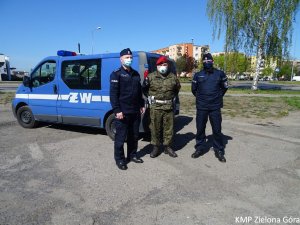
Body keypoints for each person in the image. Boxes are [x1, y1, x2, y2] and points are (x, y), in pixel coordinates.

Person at [110, 48, 145, 170]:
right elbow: (113, 95)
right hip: (122, 112)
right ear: (121, 59)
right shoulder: (116, 74)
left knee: (134, 136)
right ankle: (120, 159)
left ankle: (132, 155)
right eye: (126, 57)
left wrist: (141, 104)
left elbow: (138, 91)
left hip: (135, 111)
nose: (129, 59)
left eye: (130, 58)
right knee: (120, 138)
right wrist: (117, 110)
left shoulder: (135, 74)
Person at [191, 53, 228, 162]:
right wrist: (201, 98)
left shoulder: (220, 74)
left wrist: (217, 96)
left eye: (209, 61)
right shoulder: (198, 75)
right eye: (205, 61)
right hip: (202, 106)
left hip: (215, 107)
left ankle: (219, 150)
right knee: (200, 129)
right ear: (203, 62)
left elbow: (225, 88)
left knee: (217, 129)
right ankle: (199, 147)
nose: (207, 62)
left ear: (212, 61)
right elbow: (194, 90)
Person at [142, 56, 181, 158]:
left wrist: (170, 98)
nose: (163, 66)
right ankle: (156, 147)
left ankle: (167, 147)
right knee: (155, 128)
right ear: (157, 66)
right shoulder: (151, 77)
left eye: (165, 64)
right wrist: (150, 98)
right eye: (161, 65)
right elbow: (144, 89)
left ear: (167, 65)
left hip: (168, 106)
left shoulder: (173, 77)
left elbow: (177, 89)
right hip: (156, 107)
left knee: (169, 128)